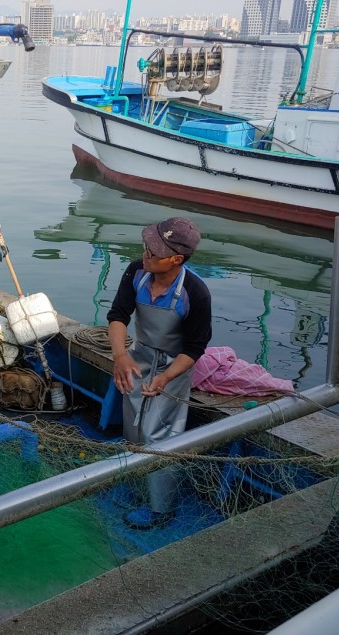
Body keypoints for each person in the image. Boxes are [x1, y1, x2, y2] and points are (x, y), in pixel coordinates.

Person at [107, 217, 212, 530]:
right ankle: (138, 486)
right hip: (138, 358)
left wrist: (166, 377)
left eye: (154, 251)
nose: (146, 254)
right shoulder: (136, 272)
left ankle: (160, 507)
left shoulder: (196, 292)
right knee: (133, 425)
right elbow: (118, 315)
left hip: (174, 368)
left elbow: (195, 348)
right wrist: (120, 356)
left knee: (160, 434)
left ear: (176, 260)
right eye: (146, 246)